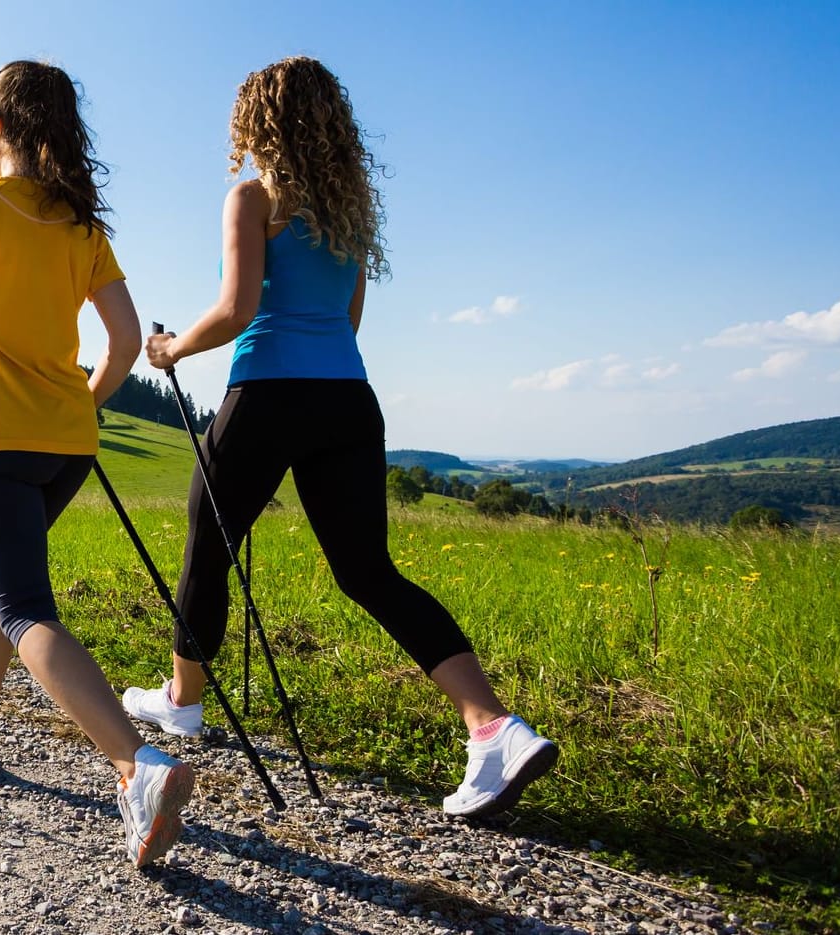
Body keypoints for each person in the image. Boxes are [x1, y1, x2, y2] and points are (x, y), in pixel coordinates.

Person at [122, 57, 557, 818]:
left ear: (258, 123)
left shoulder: (252, 198)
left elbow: (235, 307)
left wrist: (171, 351)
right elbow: (348, 318)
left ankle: (182, 702)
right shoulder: (348, 213)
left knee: (205, 544)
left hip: (266, 392)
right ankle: (493, 726)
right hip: (349, 399)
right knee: (369, 572)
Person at [0, 60, 194, 866]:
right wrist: (85, 399)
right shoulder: (84, 227)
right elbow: (124, 343)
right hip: (68, 443)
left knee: (22, 607)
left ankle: (138, 766)